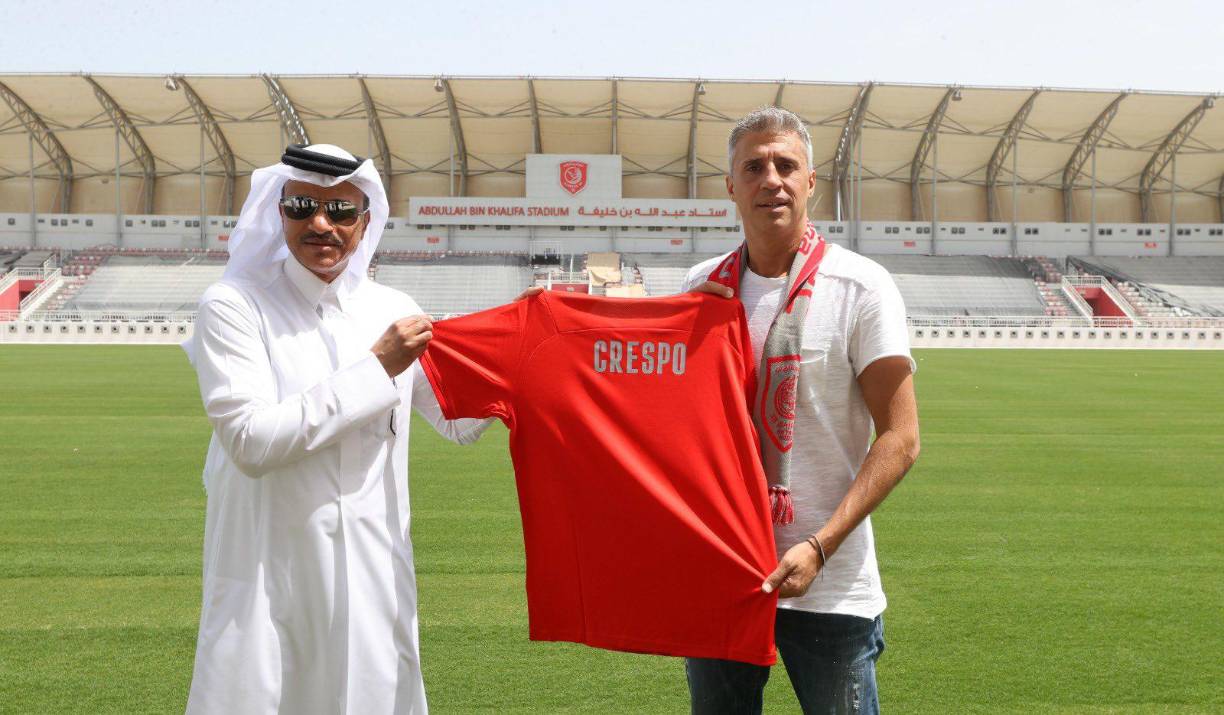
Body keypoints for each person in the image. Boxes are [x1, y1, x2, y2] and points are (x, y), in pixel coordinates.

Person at [183, 143, 490, 715]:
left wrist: (530, 348)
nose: (321, 224)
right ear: (279, 213)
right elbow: (251, 442)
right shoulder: (234, 306)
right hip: (272, 563)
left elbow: (458, 422)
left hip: (374, 567)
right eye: (302, 206)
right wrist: (377, 367)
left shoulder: (392, 307)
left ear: (365, 220)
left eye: (341, 210)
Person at [681, 108, 921, 714]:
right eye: (753, 167)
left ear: (811, 182)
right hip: (722, 575)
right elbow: (662, 414)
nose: (771, 179)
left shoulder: (860, 286)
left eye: (786, 165)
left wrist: (819, 545)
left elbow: (900, 438)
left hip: (830, 586)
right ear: (730, 185)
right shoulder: (700, 287)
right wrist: (556, 318)